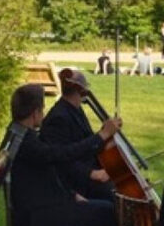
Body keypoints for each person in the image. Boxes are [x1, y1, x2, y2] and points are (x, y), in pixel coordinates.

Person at [9, 84, 122, 226]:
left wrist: (71, 195)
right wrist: (101, 136)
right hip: (39, 219)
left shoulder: (18, 134)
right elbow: (62, 154)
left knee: (104, 208)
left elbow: (46, 175)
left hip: (37, 209)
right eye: (42, 110)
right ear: (35, 113)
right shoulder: (28, 143)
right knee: (108, 211)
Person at [40, 69, 115, 204]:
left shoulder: (75, 109)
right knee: (115, 195)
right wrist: (92, 173)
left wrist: (104, 142)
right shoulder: (58, 118)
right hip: (75, 183)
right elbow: (60, 158)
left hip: (88, 172)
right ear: (81, 91)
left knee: (119, 187)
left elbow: (85, 142)